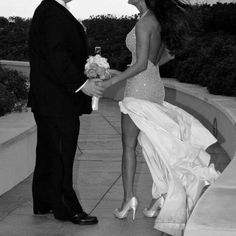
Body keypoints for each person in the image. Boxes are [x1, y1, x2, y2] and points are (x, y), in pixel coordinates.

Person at [102, 0, 219, 235]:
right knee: (153, 144)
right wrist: (143, 67)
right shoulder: (156, 20)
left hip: (138, 89)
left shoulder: (145, 22)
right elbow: (164, 56)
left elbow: (141, 64)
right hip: (153, 86)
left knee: (129, 146)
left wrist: (111, 81)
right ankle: (161, 197)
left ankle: (128, 200)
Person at [28, 0, 104, 225]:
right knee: (62, 152)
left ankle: (44, 201)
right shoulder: (52, 12)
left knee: (48, 151)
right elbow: (56, 54)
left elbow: (59, 53)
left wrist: (87, 67)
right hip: (57, 99)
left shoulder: (49, 9)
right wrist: (82, 84)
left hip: (49, 98)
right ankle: (66, 207)